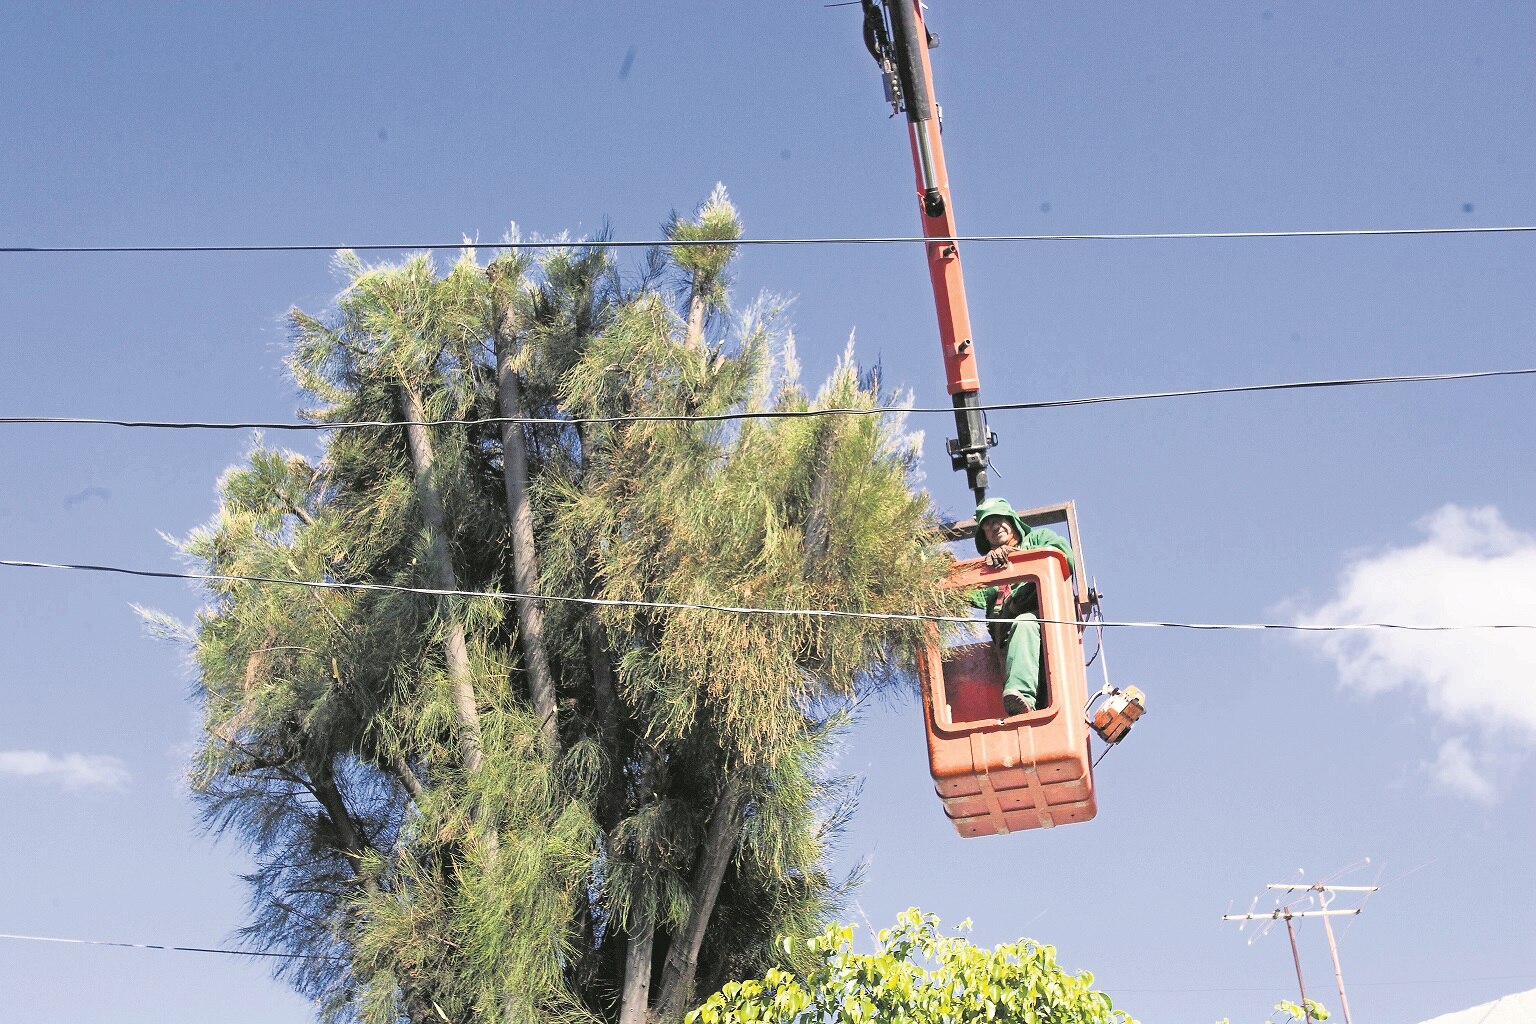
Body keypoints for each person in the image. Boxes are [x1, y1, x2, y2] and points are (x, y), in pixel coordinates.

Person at [969, 497, 1075, 718]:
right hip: (1009, 649)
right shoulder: (988, 570)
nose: (995, 526)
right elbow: (965, 594)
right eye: (987, 525)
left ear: (1012, 521)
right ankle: (1021, 703)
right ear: (983, 535)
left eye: (999, 519)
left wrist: (1017, 557)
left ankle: (1021, 697)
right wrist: (942, 569)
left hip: (1044, 634)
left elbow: (1063, 556)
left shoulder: (1039, 538)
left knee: (1024, 622)